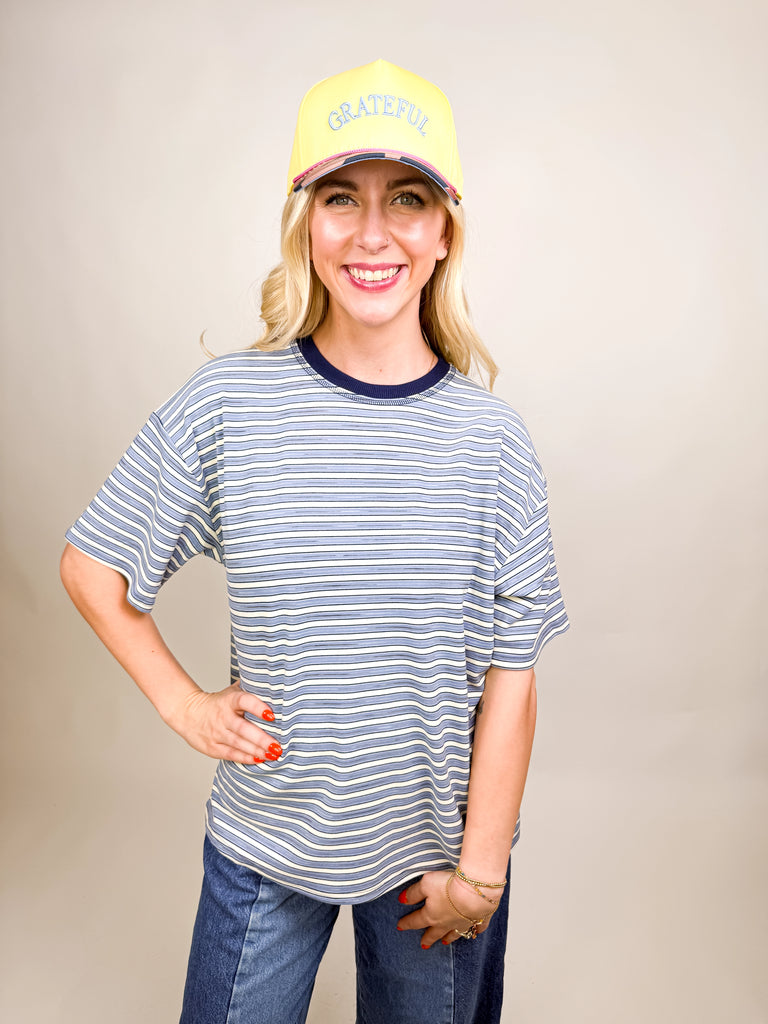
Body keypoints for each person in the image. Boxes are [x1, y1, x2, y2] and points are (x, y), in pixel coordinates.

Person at [60, 59, 569, 1024]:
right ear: (303, 220)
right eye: (342, 197)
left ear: (444, 231)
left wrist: (484, 875)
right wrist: (183, 705)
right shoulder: (229, 406)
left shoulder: (491, 442)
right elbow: (92, 564)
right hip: (266, 842)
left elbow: (514, 677)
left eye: (407, 199)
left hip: (437, 860)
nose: (373, 233)